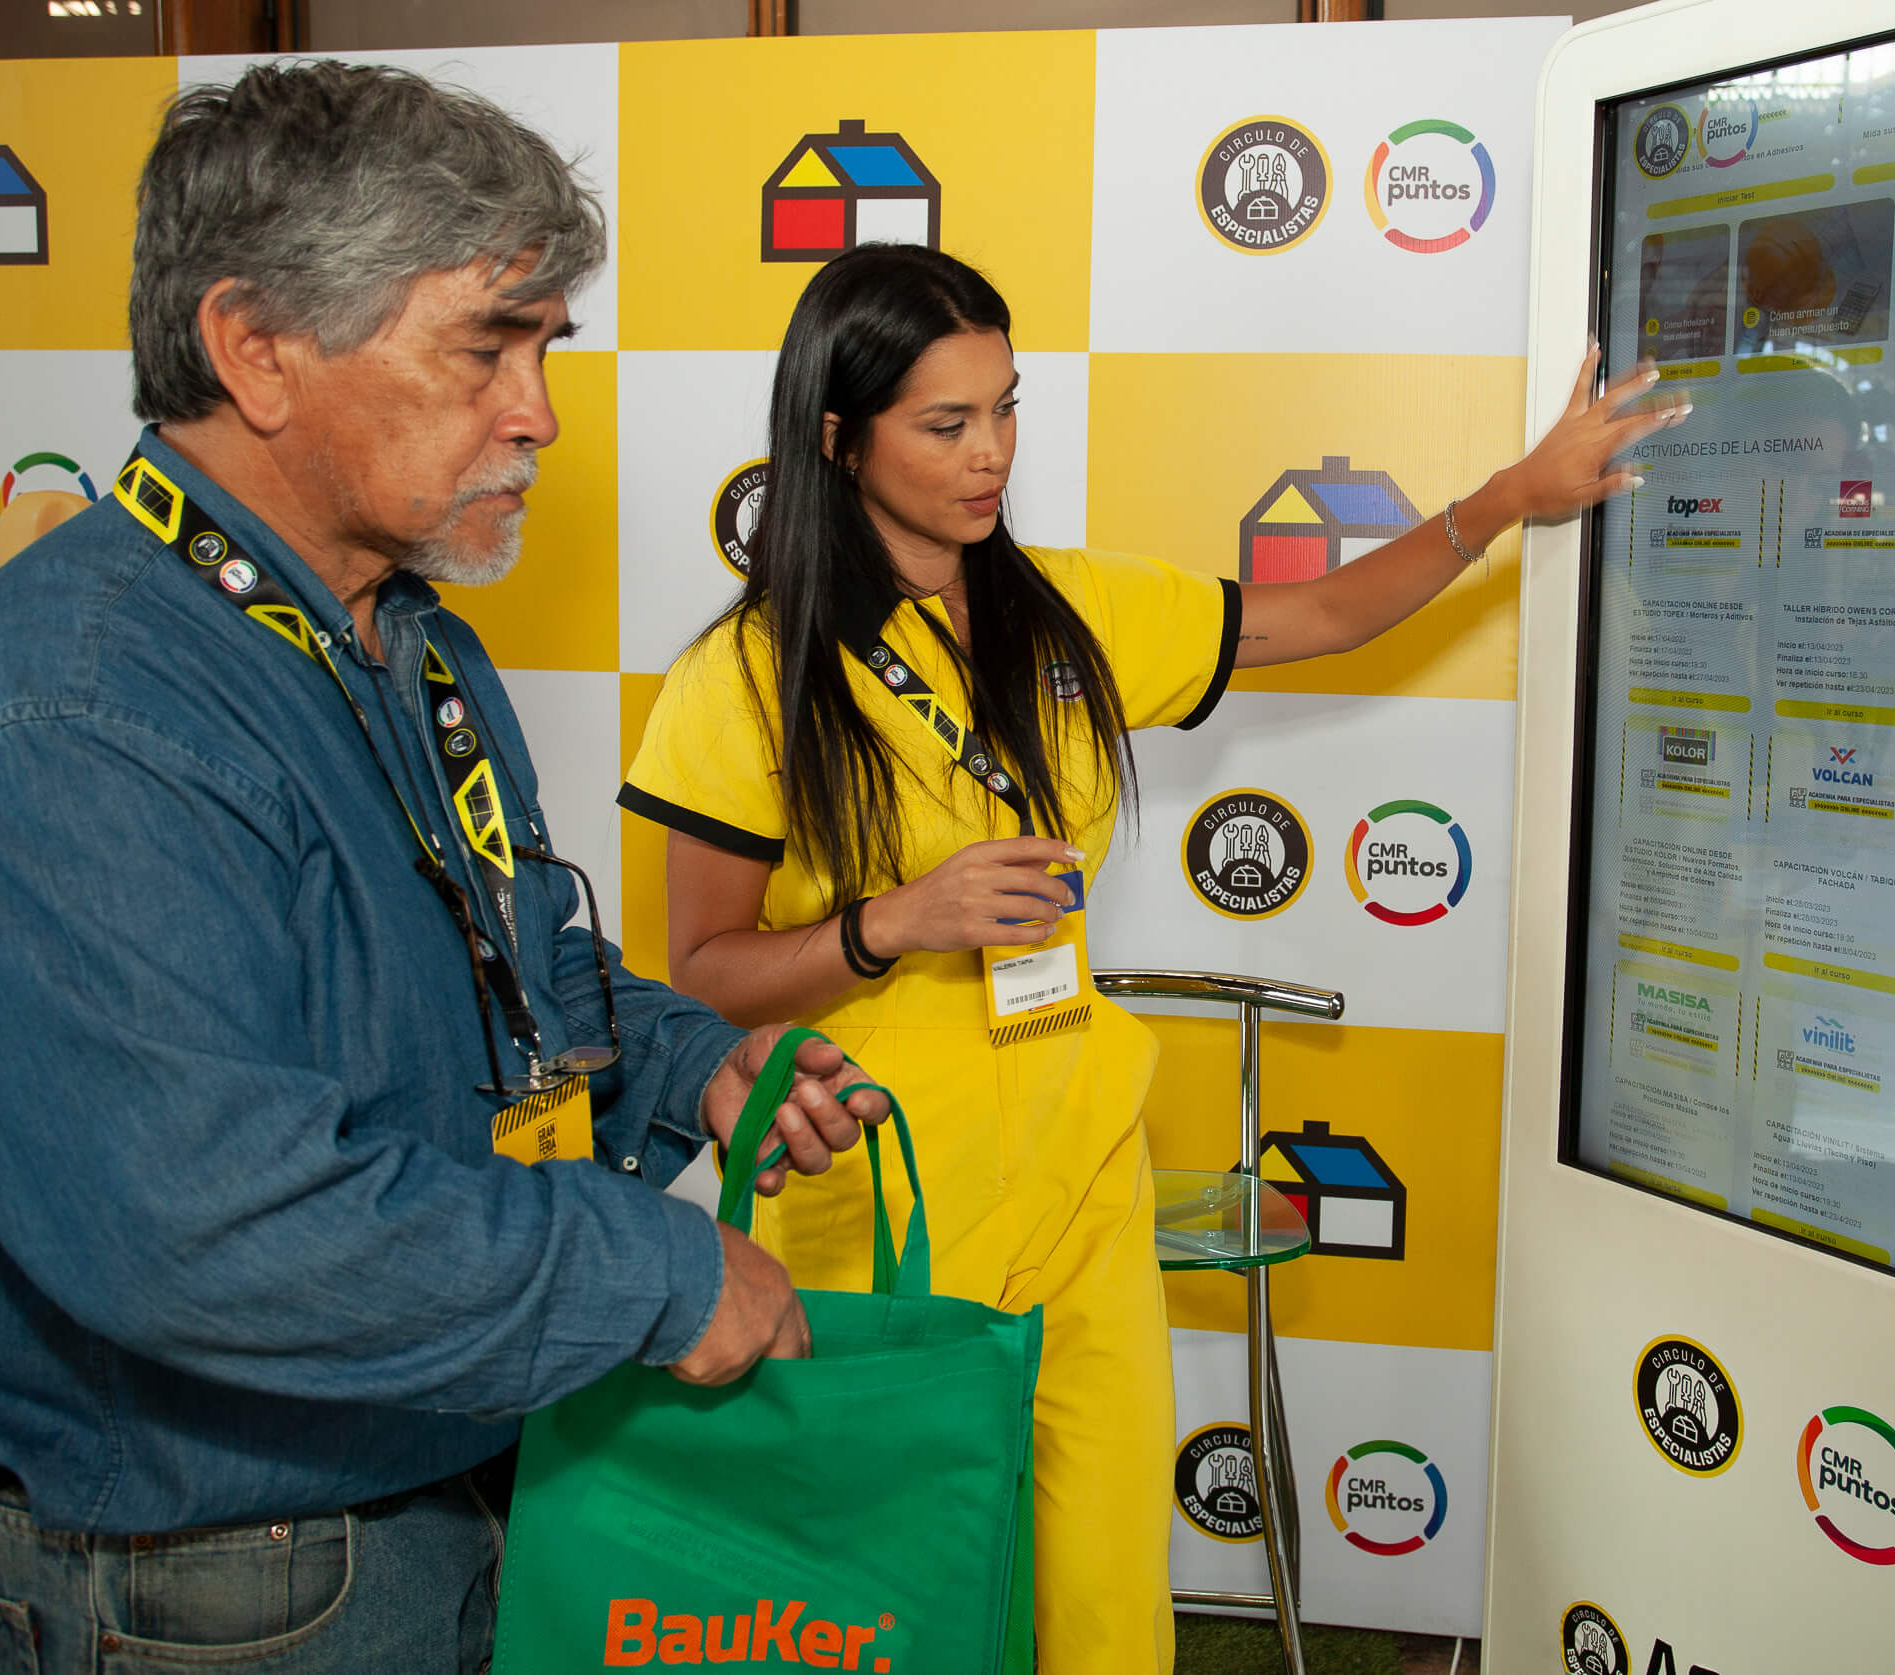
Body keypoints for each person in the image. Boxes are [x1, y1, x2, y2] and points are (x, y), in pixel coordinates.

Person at [0, 62, 885, 1675]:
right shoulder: (61, 722)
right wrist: (656, 1277)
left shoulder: (402, 638)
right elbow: (204, 1225)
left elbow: (497, 970)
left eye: (546, 349)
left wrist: (694, 1065)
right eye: (485, 345)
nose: (537, 408)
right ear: (256, 348)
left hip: (442, 1469)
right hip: (210, 1586)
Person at [619, 243, 1687, 1671]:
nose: (991, 452)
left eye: (1007, 407)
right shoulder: (744, 679)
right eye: (947, 423)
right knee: (899, 1579)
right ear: (836, 435)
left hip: (1082, 1177)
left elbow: (1318, 615)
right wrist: (895, 922)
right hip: (868, 1186)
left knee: (1109, 1570)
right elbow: (695, 972)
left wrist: (1507, 499)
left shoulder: (1069, 611)